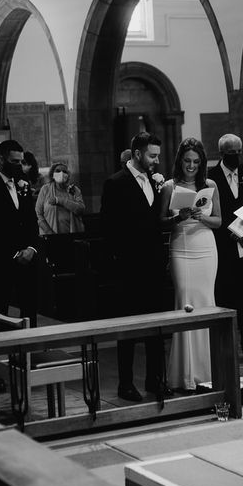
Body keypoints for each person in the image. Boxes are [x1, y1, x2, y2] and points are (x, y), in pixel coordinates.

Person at [101, 132, 171, 402]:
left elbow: (155, 221)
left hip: (153, 264)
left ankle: (155, 380)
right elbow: (109, 228)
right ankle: (126, 383)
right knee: (128, 330)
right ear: (138, 154)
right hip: (129, 268)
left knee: (157, 327)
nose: (156, 161)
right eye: (152, 155)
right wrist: (117, 265)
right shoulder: (115, 183)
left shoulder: (155, 183)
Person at [158, 138, 221, 392]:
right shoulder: (168, 187)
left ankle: (208, 371)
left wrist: (203, 218)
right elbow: (160, 222)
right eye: (187, 161)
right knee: (185, 302)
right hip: (181, 247)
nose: (191, 166)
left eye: (196, 161)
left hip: (205, 246)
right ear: (179, 161)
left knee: (206, 302)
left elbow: (219, 221)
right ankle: (185, 375)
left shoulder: (210, 185)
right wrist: (177, 217)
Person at [0, 139, 40, 325]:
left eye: (21, 161)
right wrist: (14, 253)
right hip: (2, 258)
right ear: (1, 160)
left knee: (29, 309)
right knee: (0, 309)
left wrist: (31, 248)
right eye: (15, 162)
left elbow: (30, 219)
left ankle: (30, 347)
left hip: (27, 256)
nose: (19, 166)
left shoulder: (23, 182)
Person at [209, 133, 243, 360]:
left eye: (239, 152)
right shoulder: (211, 177)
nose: (237, 157)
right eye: (232, 153)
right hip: (225, 248)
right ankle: (227, 351)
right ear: (221, 153)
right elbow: (209, 212)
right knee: (227, 300)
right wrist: (232, 232)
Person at [35, 162, 85, 235]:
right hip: (50, 236)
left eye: (65, 171)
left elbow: (80, 209)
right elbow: (39, 214)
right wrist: (49, 232)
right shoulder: (45, 189)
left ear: (68, 175)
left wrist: (59, 200)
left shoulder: (74, 190)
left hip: (72, 234)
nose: (61, 173)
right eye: (58, 171)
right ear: (52, 175)